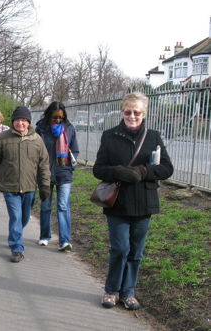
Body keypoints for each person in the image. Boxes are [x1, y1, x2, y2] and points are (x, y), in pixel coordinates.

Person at [93, 92, 173, 310]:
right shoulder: (110, 135)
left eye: (136, 112)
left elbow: (167, 168)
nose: (132, 116)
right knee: (120, 248)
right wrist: (118, 171)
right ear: (122, 112)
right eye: (128, 111)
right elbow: (98, 169)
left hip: (144, 202)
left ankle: (128, 292)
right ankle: (111, 291)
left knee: (136, 251)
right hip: (117, 203)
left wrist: (144, 171)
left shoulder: (153, 137)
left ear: (143, 113)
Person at [0, 106, 51, 263]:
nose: (20, 123)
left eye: (24, 120)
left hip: (29, 187)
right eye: (17, 120)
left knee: (24, 217)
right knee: (16, 216)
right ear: (13, 122)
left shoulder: (37, 139)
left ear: (29, 122)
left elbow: (44, 164)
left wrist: (44, 185)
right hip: (9, 186)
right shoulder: (3, 138)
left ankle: (14, 235)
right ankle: (16, 248)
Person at [35, 101, 79, 251]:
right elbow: (36, 151)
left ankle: (65, 240)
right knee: (46, 206)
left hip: (64, 172)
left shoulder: (69, 129)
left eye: (61, 117)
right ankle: (45, 236)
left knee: (63, 206)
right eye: (55, 117)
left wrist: (72, 161)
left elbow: (75, 148)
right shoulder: (41, 129)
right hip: (45, 173)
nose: (58, 120)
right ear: (49, 115)